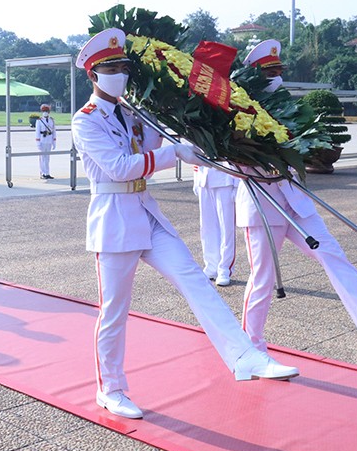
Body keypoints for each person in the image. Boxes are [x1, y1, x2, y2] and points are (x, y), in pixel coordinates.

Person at [71, 28, 299, 421]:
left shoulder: (132, 113)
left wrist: (194, 132)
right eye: (111, 68)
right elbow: (118, 167)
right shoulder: (85, 120)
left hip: (146, 212)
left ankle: (245, 356)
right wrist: (173, 153)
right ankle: (111, 389)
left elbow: (156, 144)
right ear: (93, 76)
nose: (120, 74)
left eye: (123, 67)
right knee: (115, 311)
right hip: (113, 219)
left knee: (194, 280)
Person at [236, 40, 357, 351]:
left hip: (296, 201)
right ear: (254, 74)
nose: (277, 76)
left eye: (278, 70)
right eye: (269, 71)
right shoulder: (236, 108)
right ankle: (250, 345)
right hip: (263, 204)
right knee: (263, 279)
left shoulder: (286, 104)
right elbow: (227, 158)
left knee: (335, 256)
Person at [192, 165, 239, 286]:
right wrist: (196, 178)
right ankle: (211, 266)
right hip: (204, 178)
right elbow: (195, 151)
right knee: (207, 228)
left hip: (225, 178)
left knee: (226, 228)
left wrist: (237, 184)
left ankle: (224, 268)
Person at [35, 104, 57, 179]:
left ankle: (47, 173)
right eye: (44, 111)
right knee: (42, 158)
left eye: (47, 111)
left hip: (49, 140)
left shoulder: (51, 120)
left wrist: (54, 142)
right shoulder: (39, 120)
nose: (45, 112)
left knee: (47, 158)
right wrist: (38, 143)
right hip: (42, 140)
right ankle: (42, 173)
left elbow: (54, 131)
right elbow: (37, 132)